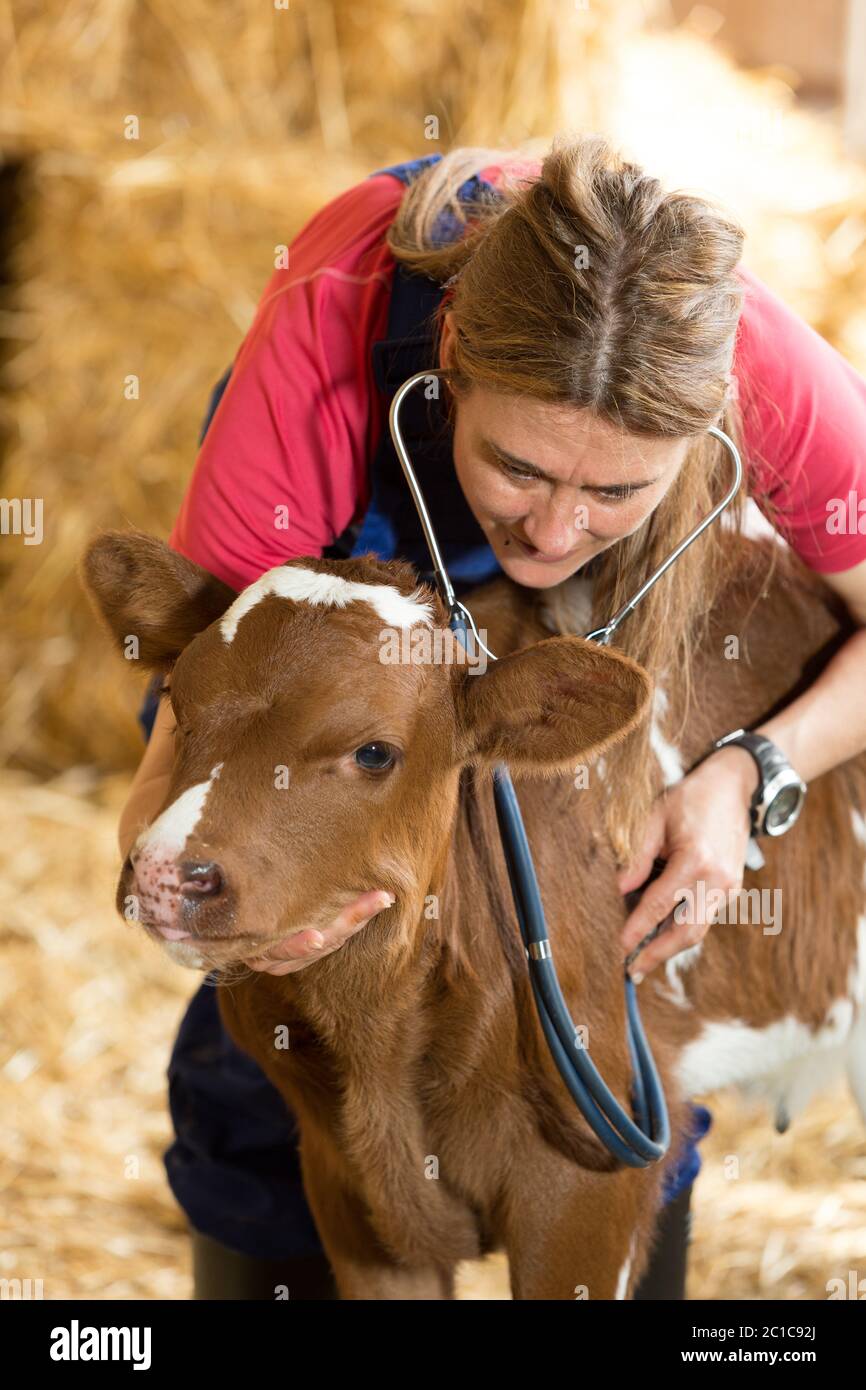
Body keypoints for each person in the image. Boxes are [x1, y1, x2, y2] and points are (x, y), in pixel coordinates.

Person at [120, 137, 866, 1300]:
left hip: (594, 623)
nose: (555, 533)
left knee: (603, 992)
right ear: (454, 364)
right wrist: (200, 896)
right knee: (268, 1024)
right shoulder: (330, 331)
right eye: (521, 467)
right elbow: (201, 716)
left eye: (616, 488)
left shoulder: (756, 361)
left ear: (705, 429)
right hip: (365, 532)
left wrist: (746, 771)